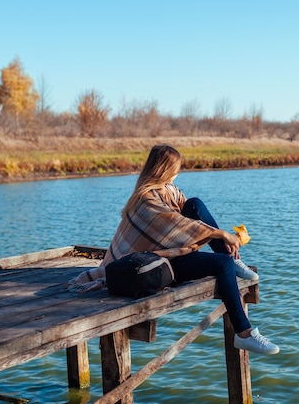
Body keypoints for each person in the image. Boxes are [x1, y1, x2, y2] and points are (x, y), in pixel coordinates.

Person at [69, 144, 279, 355]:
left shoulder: (169, 192)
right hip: (152, 264)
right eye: (176, 168)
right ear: (165, 170)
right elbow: (176, 225)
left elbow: (188, 220)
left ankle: (231, 259)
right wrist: (221, 234)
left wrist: (218, 236)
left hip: (168, 253)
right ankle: (243, 334)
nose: (179, 172)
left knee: (195, 204)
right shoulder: (145, 199)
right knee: (222, 264)